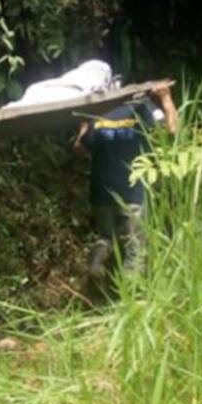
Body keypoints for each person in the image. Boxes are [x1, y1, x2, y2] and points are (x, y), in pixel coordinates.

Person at [73, 81, 178, 284]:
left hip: (101, 192)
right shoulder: (143, 108)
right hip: (132, 192)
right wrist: (166, 98)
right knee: (135, 248)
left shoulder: (99, 113)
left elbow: (79, 148)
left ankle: (96, 265)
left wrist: (85, 123)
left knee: (106, 237)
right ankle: (133, 296)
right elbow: (172, 130)